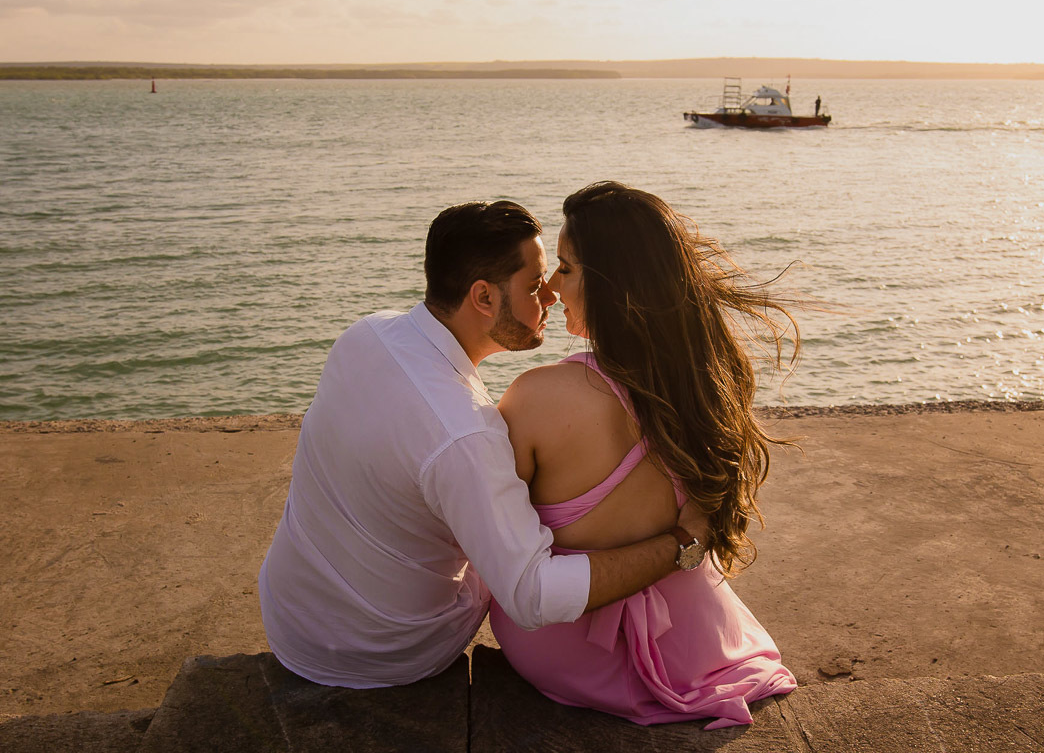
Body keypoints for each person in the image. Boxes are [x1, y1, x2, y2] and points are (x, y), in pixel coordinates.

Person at [258, 199, 710, 688]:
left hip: (289, 616)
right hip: (385, 651)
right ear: (484, 297)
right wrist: (680, 544)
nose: (552, 296)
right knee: (519, 550)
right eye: (536, 284)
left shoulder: (364, 335)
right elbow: (533, 597)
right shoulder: (466, 434)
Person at [489, 182, 798, 729]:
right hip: (695, 643)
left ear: (611, 285)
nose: (554, 288)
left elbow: (491, 539)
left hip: (568, 650)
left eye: (566, 268)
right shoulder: (704, 388)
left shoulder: (537, 398)